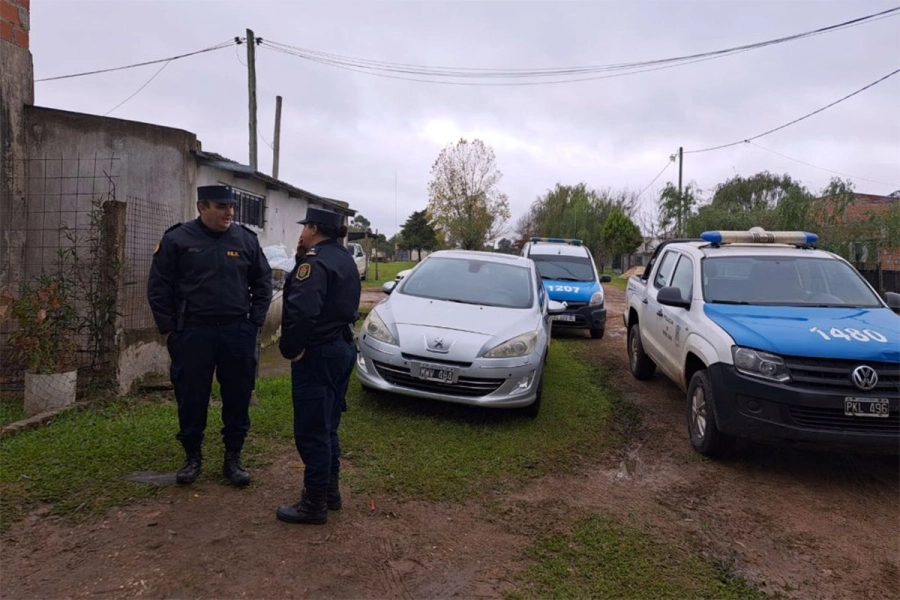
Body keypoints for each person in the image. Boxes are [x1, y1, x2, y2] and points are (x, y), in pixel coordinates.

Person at [147, 185, 273, 487]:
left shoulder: (246, 240)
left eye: (232, 207)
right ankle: (192, 457)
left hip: (236, 331)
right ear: (202, 206)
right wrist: (170, 330)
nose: (230, 212)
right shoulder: (177, 239)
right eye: (221, 206)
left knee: (238, 394)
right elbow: (158, 287)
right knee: (191, 395)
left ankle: (233, 457)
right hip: (193, 332)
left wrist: (253, 322)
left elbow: (263, 282)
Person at [276, 206, 361, 525]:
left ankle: (313, 505)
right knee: (328, 425)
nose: (301, 233)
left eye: (304, 227)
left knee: (312, 429)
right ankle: (329, 492)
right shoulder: (344, 258)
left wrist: (291, 348)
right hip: (341, 349)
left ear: (314, 228)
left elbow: (303, 312)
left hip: (319, 354)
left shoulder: (314, 262)